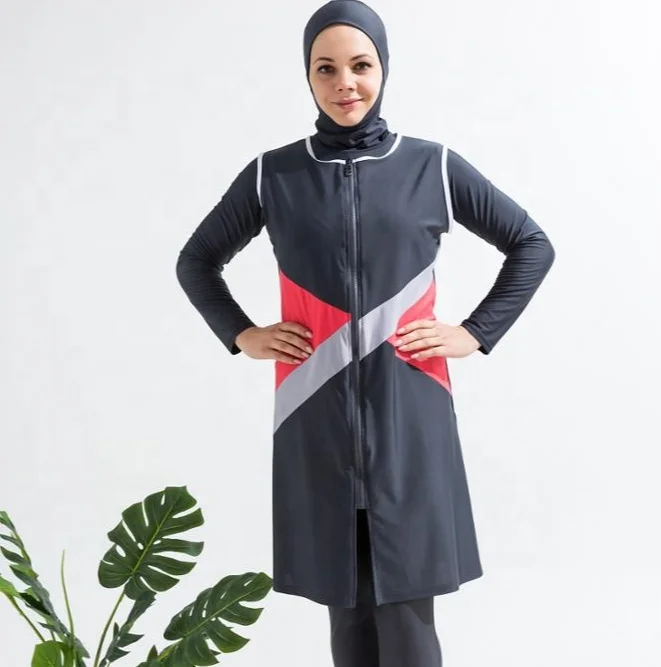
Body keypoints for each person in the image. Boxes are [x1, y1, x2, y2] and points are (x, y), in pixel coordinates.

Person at [176, 1, 555, 665]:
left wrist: (475, 331)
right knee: (346, 610)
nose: (344, 82)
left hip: (409, 410)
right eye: (325, 69)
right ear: (307, 75)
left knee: (406, 612)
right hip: (314, 411)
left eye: (360, 65)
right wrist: (241, 333)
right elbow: (197, 260)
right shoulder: (274, 175)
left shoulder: (431, 166)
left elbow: (530, 243)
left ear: (383, 68)